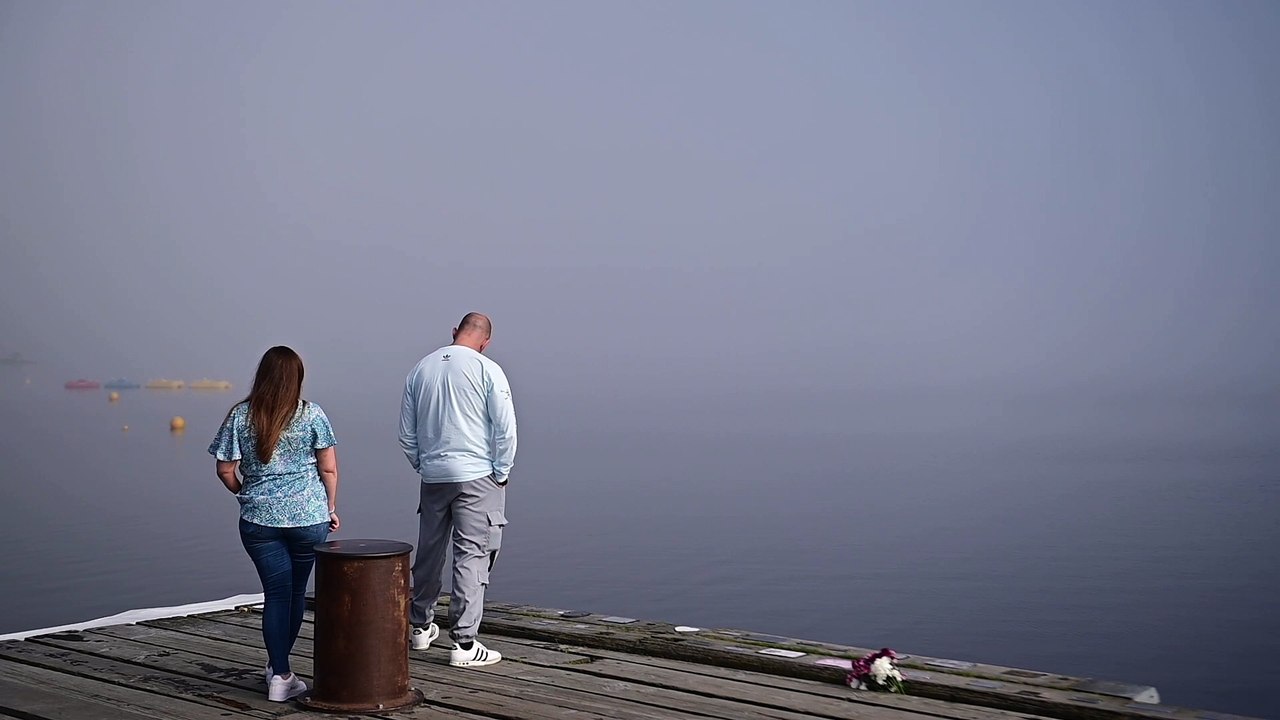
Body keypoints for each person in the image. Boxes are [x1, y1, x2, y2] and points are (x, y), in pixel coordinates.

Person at [209, 346, 340, 702]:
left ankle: (279, 672)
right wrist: (329, 506)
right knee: (296, 593)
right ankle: (279, 672)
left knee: (276, 595)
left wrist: (246, 493)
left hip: (258, 521)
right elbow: (327, 468)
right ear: (297, 379)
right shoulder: (312, 415)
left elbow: (224, 469)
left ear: (262, 376)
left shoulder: (240, 415)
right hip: (308, 519)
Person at [400, 312, 517, 667]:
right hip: (478, 475)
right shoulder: (487, 369)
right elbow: (505, 429)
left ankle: (419, 627)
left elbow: (407, 434)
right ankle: (464, 644)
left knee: (430, 551)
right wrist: (501, 473)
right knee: (472, 555)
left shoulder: (420, 369)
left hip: (434, 475)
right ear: (485, 342)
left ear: (454, 333)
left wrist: (424, 465)